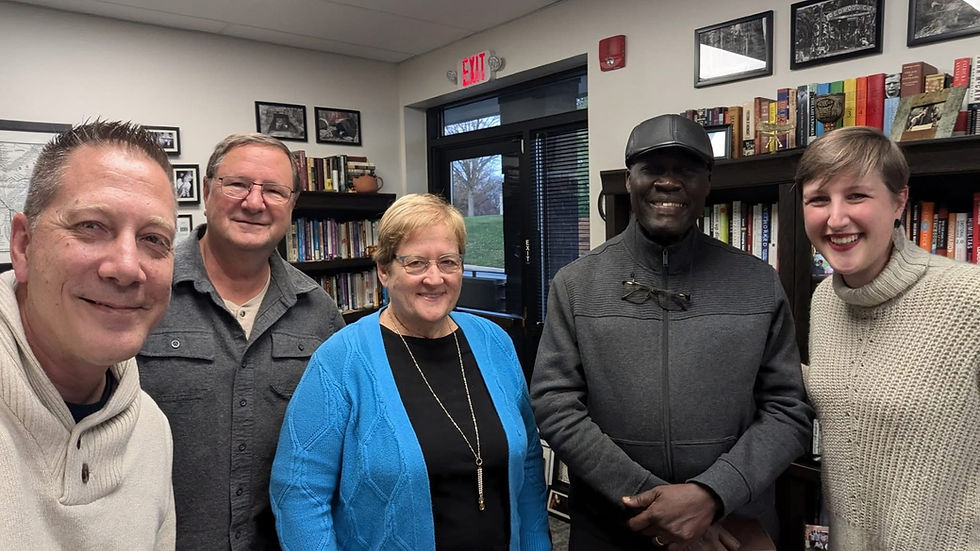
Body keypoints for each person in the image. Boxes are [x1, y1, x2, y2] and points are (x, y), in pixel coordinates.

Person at [531, 114, 813, 550]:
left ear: (707, 183)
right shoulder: (576, 285)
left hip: (732, 527)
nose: (668, 182)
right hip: (613, 526)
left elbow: (788, 412)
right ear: (630, 180)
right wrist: (655, 504)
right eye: (653, 169)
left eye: (686, 170)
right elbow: (555, 405)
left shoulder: (758, 283)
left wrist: (711, 495)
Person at [270, 193, 550, 550]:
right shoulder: (340, 360)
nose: (434, 279)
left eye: (448, 261)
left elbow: (526, 463)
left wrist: (536, 543)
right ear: (384, 270)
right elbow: (299, 493)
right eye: (416, 263)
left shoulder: (494, 343)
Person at [137, 133, 345, 549]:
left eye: (274, 190)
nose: (254, 202)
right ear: (209, 190)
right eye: (238, 185)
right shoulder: (143, 289)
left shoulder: (319, 313)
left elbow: (334, 451)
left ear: (292, 206)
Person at [798, 126, 980, 549]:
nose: (836, 218)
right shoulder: (825, 298)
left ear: (899, 201)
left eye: (857, 196)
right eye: (819, 199)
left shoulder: (969, 298)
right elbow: (849, 393)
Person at [0, 120, 177, 548]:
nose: (126, 267)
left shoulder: (151, 430)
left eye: (154, 239)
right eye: (90, 226)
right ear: (24, 246)